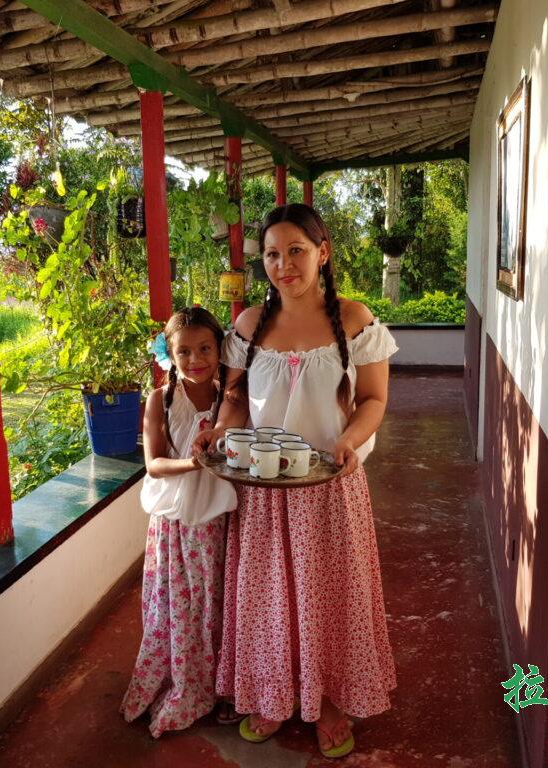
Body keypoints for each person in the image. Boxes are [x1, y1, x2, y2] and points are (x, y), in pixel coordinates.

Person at [193, 204, 398, 759]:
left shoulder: (355, 320)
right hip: (264, 492)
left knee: (329, 600)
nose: (283, 265)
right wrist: (219, 430)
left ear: (322, 253)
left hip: (331, 487)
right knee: (269, 599)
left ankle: (330, 702)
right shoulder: (248, 325)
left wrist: (350, 439)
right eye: (272, 255)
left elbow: (374, 400)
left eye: (296, 251)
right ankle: (272, 694)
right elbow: (237, 398)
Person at [121, 307, 239, 738]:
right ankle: (187, 683)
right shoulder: (161, 399)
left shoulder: (231, 398)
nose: (196, 359)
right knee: (180, 608)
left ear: (220, 349)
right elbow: (154, 464)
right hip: (175, 524)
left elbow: (237, 434)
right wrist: (191, 463)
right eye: (184, 351)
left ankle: (224, 687)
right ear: (169, 355)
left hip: (218, 519)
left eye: (205, 348)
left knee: (219, 605)